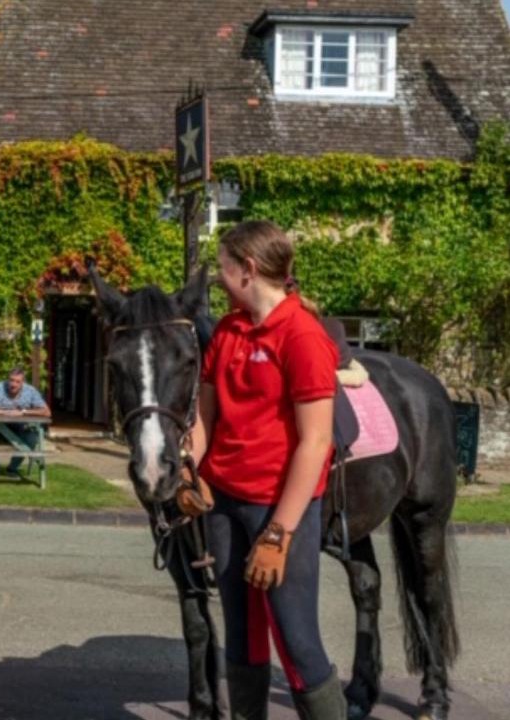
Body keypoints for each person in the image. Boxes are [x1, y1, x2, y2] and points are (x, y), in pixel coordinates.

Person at [186, 220, 347, 719]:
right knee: (242, 637)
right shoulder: (229, 331)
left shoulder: (302, 336)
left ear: (247, 270)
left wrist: (279, 534)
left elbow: (316, 442)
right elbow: (202, 421)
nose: (218, 275)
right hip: (222, 503)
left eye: (224, 267)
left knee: (296, 641)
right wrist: (188, 474)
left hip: (278, 509)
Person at [0, 365, 51, 476]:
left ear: (23, 382)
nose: (13, 384)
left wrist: (24, 412)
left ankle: (12, 468)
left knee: (32, 439)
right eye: (11, 380)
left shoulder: (30, 391)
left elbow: (47, 412)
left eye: (17, 382)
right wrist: (0, 412)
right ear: (7, 379)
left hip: (20, 430)